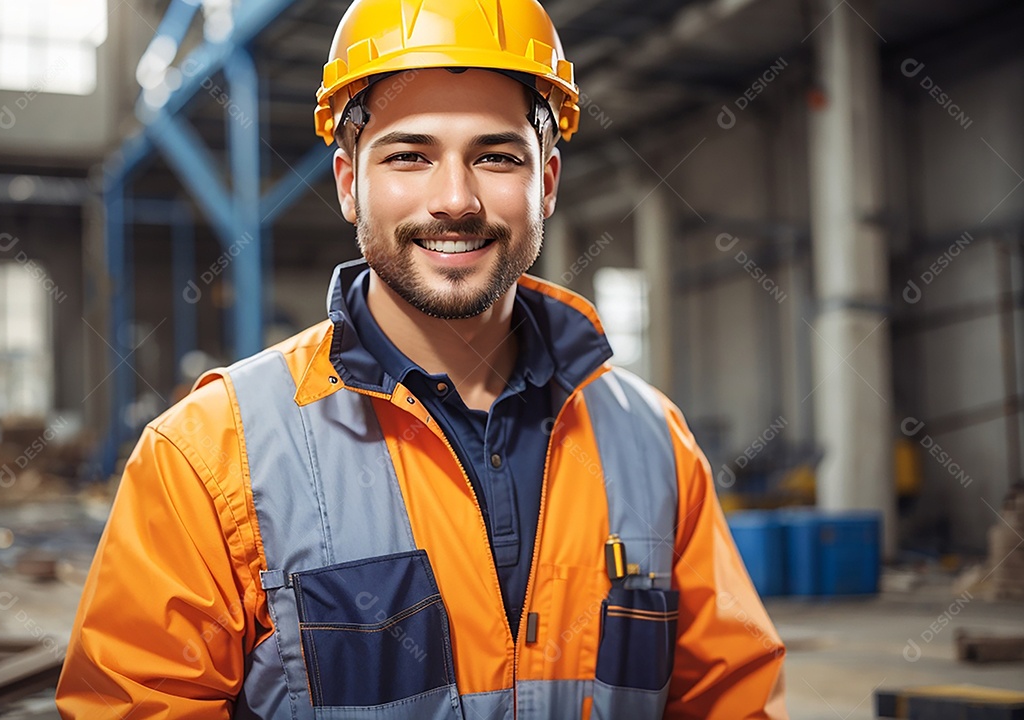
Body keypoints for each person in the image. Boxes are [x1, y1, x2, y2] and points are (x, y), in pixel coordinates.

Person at [57, 0, 787, 717]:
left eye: (496, 157)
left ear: (548, 184)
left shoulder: (654, 442)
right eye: (410, 155)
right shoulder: (207, 458)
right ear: (350, 184)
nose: (455, 199)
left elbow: (731, 699)